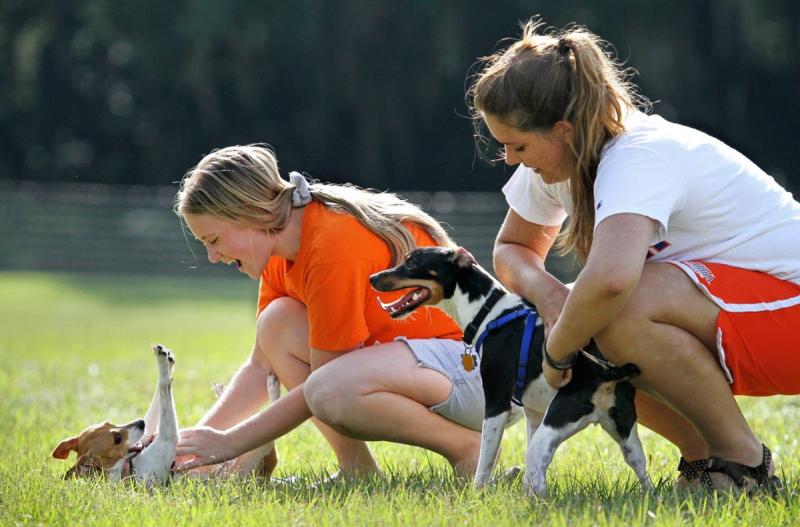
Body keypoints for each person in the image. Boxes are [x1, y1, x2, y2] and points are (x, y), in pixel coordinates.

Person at [468, 19, 800, 491]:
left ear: (563, 129)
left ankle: (744, 466)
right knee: (589, 317)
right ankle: (705, 462)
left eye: (517, 145)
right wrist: (550, 297)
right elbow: (513, 248)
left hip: (790, 310)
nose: (510, 159)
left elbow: (610, 281)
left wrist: (557, 352)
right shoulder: (561, 158)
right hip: (755, 321)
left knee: (609, 311)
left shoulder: (638, 154)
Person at [172, 144, 499, 479]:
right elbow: (260, 367)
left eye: (213, 240)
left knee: (331, 389)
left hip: (480, 373)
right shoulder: (278, 249)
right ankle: (357, 469)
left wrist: (232, 442)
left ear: (248, 212)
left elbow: (324, 386)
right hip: (436, 371)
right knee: (276, 325)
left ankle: (468, 448)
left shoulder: (329, 245)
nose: (213, 256)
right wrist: (180, 450)